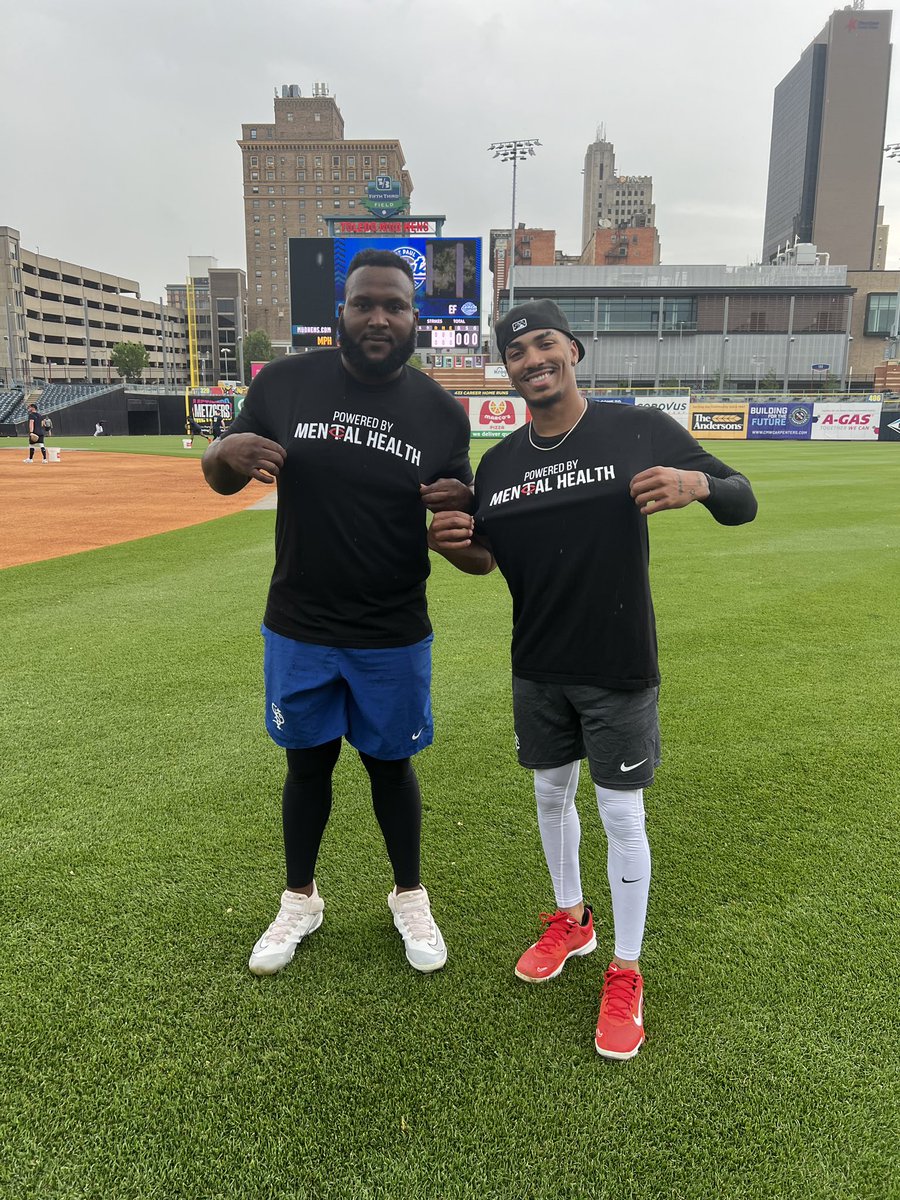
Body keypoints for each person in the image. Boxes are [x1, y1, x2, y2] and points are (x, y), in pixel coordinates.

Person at [429, 300, 757, 1060]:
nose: (533, 359)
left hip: (617, 664)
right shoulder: (499, 462)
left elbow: (742, 497)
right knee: (549, 793)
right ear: (506, 370)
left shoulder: (635, 428)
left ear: (572, 350)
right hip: (537, 665)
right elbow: (489, 558)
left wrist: (697, 485)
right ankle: (572, 920)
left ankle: (626, 969)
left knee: (621, 814)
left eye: (545, 343)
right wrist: (452, 547)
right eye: (516, 352)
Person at [201, 248, 473, 978]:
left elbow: (468, 534)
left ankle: (409, 894)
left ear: (417, 318)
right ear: (340, 314)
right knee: (307, 766)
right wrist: (227, 449)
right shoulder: (285, 383)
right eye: (365, 304)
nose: (379, 317)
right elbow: (221, 476)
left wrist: (459, 531)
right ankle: (300, 898)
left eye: (395, 305)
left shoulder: (442, 414)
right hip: (300, 623)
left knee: (392, 768)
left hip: (391, 629)